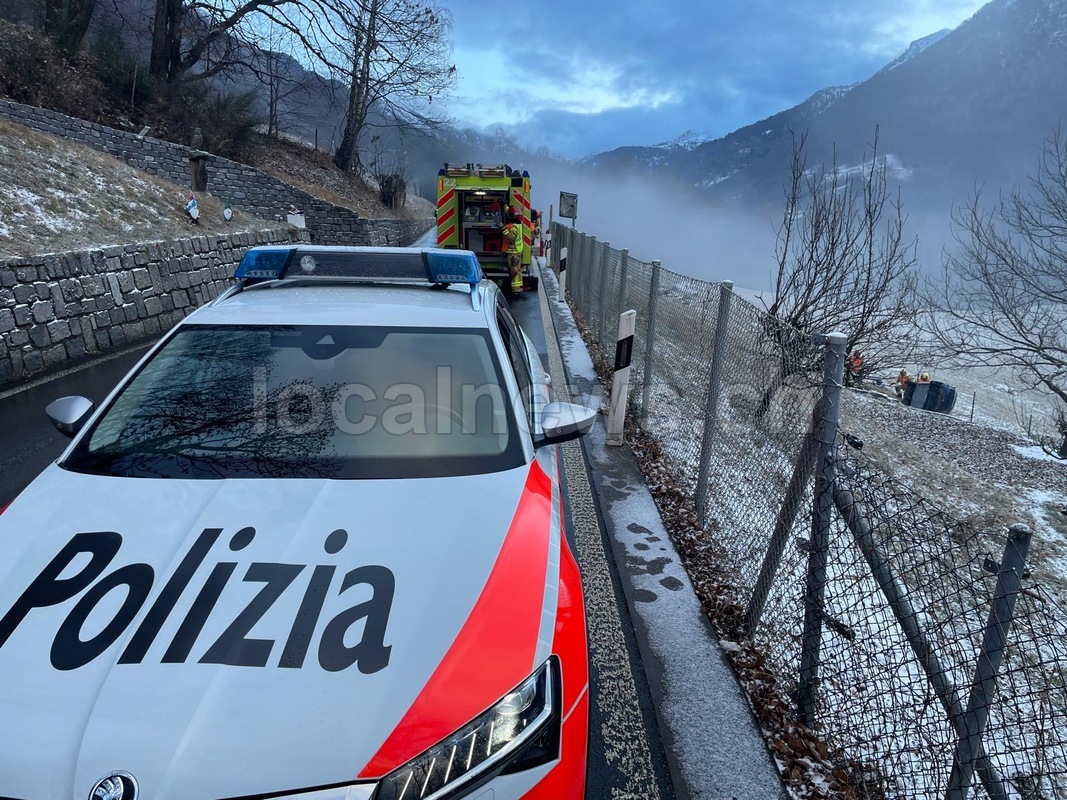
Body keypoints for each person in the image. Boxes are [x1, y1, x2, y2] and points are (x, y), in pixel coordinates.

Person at [501, 211, 525, 297]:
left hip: (513, 253)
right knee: (517, 271)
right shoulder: (518, 225)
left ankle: (515, 290)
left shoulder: (514, 227)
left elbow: (511, 237)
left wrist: (503, 229)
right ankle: (517, 289)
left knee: (514, 271)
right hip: (516, 252)